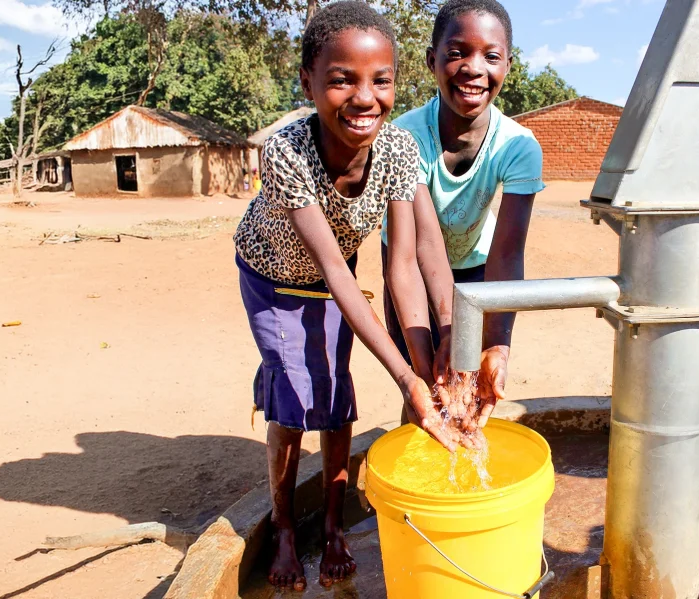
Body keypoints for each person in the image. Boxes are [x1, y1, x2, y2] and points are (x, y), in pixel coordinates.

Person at [232, 1, 456, 590]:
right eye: (341, 79)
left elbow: (403, 265)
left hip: (332, 275)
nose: (364, 98)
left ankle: (331, 524)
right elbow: (331, 269)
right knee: (295, 395)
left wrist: (425, 360)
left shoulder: (400, 151)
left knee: (334, 389)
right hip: (274, 275)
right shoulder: (285, 154)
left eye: (380, 80)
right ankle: (283, 526)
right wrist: (408, 382)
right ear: (308, 80)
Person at [382, 0, 545, 428]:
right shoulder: (403, 138)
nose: (474, 69)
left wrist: (498, 347)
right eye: (456, 53)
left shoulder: (517, 146)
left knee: (470, 384)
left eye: (491, 56)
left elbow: (508, 251)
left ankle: (463, 485)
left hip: (476, 270)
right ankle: (413, 482)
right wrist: (450, 329)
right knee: (424, 385)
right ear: (431, 59)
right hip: (408, 268)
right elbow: (422, 243)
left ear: (508, 64)